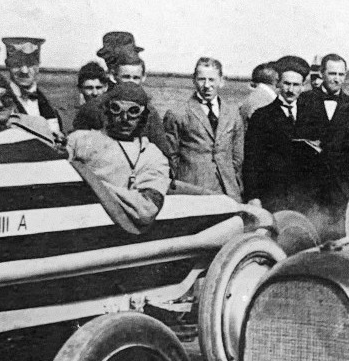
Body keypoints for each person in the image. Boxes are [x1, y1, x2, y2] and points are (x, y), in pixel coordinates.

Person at [66, 82, 170, 226]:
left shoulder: (152, 156)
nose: (125, 118)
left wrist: (91, 184)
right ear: (108, 111)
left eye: (133, 111)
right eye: (117, 109)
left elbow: (147, 208)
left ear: (143, 116)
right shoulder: (79, 140)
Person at [293, 53, 349, 219]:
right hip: (311, 184)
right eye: (332, 74)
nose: (337, 79)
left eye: (341, 74)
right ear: (322, 73)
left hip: (343, 184)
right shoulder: (304, 101)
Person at [163, 57, 245, 200]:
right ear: (194, 80)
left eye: (212, 80)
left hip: (227, 188)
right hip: (192, 188)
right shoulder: (178, 113)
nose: (207, 85)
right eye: (202, 79)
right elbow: (170, 155)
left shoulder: (233, 113)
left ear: (221, 81)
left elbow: (237, 156)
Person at [72, 40, 172, 157]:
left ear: (143, 78)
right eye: (126, 77)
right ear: (113, 76)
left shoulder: (149, 112)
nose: (131, 82)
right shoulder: (93, 108)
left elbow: (162, 152)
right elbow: (78, 147)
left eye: (135, 78)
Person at [244, 55, 309, 209]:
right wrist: (253, 196)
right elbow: (251, 160)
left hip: (305, 197)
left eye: (296, 85)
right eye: (286, 84)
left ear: (303, 86)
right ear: (278, 83)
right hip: (272, 196)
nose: (290, 90)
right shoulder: (261, 116)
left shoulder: (311, 115)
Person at [2, 37, 62, 138]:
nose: (24, 71)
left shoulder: (50, 105)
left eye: (30, 64)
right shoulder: (0, 103)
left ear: (38, 65)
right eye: (17, 64)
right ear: (7, 65)